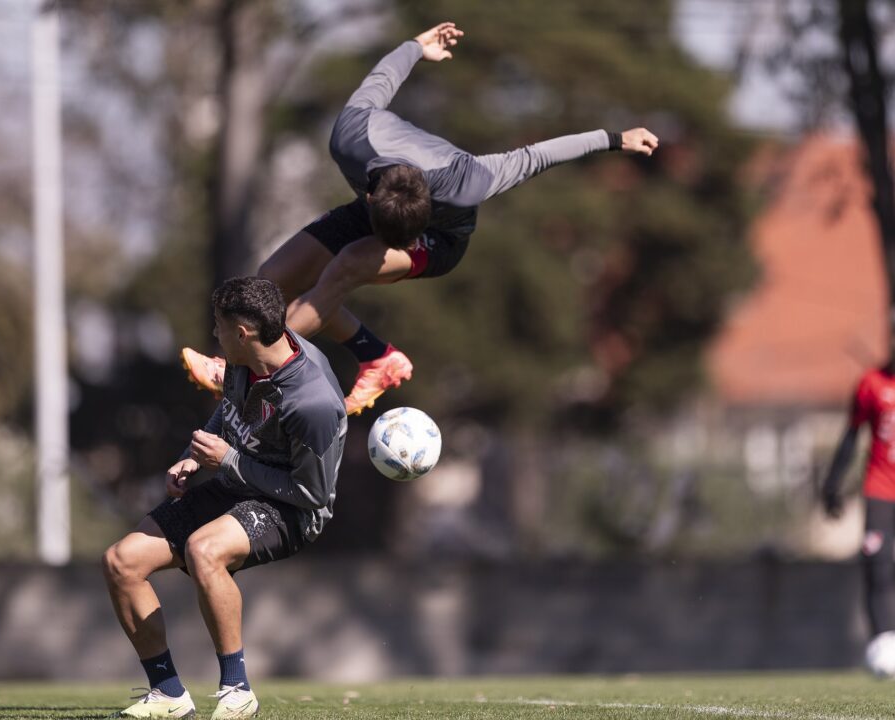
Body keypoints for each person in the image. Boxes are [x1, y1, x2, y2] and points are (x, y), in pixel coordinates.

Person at [182, 21, 660, 415]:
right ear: (368, 195)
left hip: (439, 243)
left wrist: (616, 138)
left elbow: (537, 156)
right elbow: (381, 82)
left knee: (345, 267)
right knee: (270, 281)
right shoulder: (351, 138)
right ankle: (377, 356)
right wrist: (416, 47)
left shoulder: (467, 180)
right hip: (375, 219)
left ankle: (240, 370)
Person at [104, 277, 347, 719]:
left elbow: (312, 493)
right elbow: (227, 411)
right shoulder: (246, 360)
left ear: (242, 332)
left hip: (290, 509)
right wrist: (192, 457)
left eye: (218, 326)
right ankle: (168, 695)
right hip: (235, 482)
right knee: (122, 562)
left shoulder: (312, 402)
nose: (213, 335)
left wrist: (229, 460)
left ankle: (238, 691)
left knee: (204, 550)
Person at [821, 356, 895, 642]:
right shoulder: (871, 384)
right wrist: (832, 484)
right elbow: (851, 436)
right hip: (880, 491)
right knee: (878, 568)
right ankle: (884, 644)